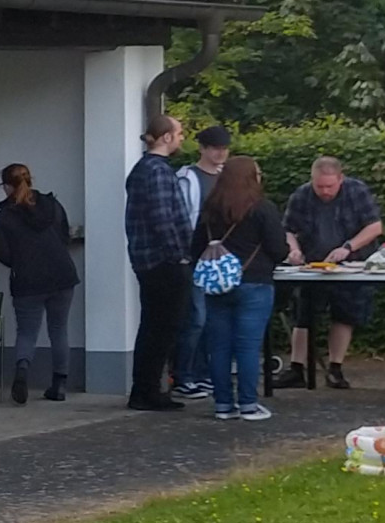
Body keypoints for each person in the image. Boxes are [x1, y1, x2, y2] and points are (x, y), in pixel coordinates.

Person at [193, 155, 293, 421]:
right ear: (251, 178)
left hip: (217, 286)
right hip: (254, 282)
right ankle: (248, 404)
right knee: (248, 346)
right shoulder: (262, 208)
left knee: (219, 347)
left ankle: (223, 405)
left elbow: (196, 247)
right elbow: (278, 249)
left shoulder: (211, 209)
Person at [278, 157, 385, 389]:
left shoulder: (357, 191)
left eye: (330, 186)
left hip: (350, 266)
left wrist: (348, 247)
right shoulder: (301, 195)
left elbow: (374, 227)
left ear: (340, 179)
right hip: (313, 266)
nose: (325, 191)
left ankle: (335, 368)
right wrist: (293, 250)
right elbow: (288, 230)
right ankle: (297, 368)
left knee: (344, 315)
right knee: (303, 315)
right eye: (319, 186)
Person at [0, 163, 78, 404]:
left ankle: (22, 371)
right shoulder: (52, 205)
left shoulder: (3, 217)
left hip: (27, 281)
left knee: (27, 332)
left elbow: (3, 253)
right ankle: (59, 385)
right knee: (59, 329)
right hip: (62, 275)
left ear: (7, 186)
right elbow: (64, 236)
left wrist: (21, 263)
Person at [124, 113, 194, 412]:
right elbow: (163, 217)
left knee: (153, 326)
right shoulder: (157, 171)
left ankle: (145, 389)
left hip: (148, 259)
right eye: (179, 133)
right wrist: (179, 254)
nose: (182, 138)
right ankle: (148, 391)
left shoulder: (144, 169)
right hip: (163, 262)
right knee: (163, 328)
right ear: (166, 137)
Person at [171, 126, 233, 400]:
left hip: (219, 260)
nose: (220, 153)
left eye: (224, 148)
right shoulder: (188, 178)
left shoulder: (225, 178)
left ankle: (202, 373)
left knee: (211, 320)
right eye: (215, 148)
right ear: (203, 149)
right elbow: (182, 218)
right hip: (194, 257)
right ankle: (183, 375)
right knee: (196, 318)